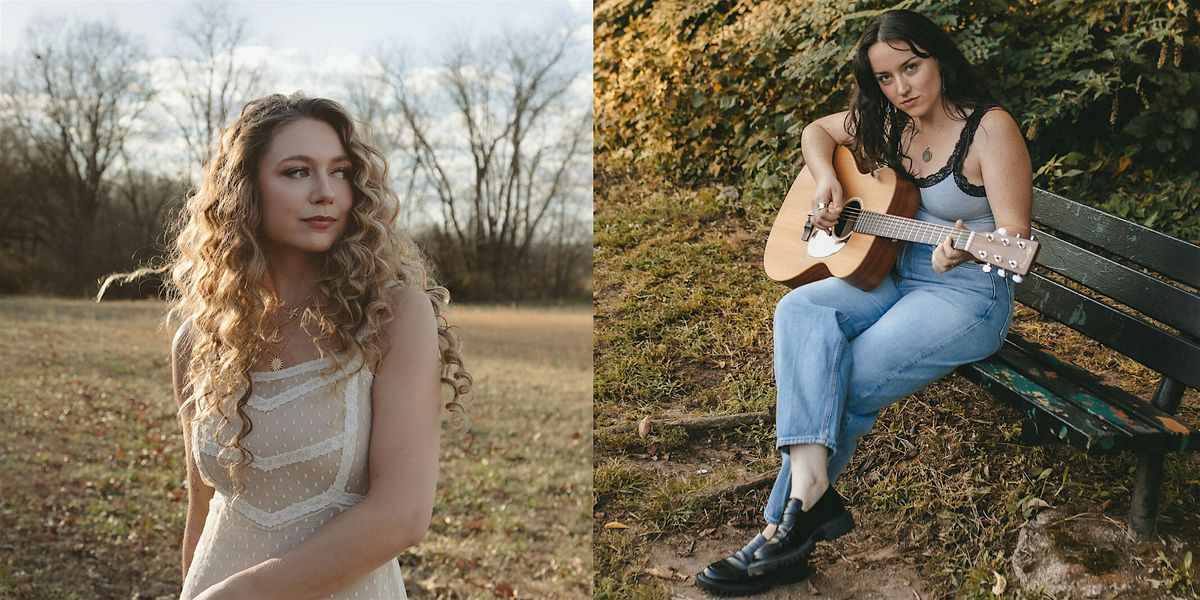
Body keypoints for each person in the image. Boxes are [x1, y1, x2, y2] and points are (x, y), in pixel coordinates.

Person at [695, 9, 1031, 596]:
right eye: (885, 78)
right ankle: (809, 506)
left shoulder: (990, 129)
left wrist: (964, 253)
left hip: (966, 295)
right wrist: (827, 180)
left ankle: (781, 530)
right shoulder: (890, 121)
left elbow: (1013, 239)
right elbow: (817, 133)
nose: (902, 88)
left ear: (939, 59)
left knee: (840, 376)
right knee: (799, 310)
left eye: (912, 67)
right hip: (893, 275)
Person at [100, 92, 471, 599]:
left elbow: (401, 515)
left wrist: (242, 595)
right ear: (244, 189)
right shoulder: (201, 337)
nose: (325, 193)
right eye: (298, 172)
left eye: (340, 171)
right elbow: (203, 506)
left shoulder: (395, 317)